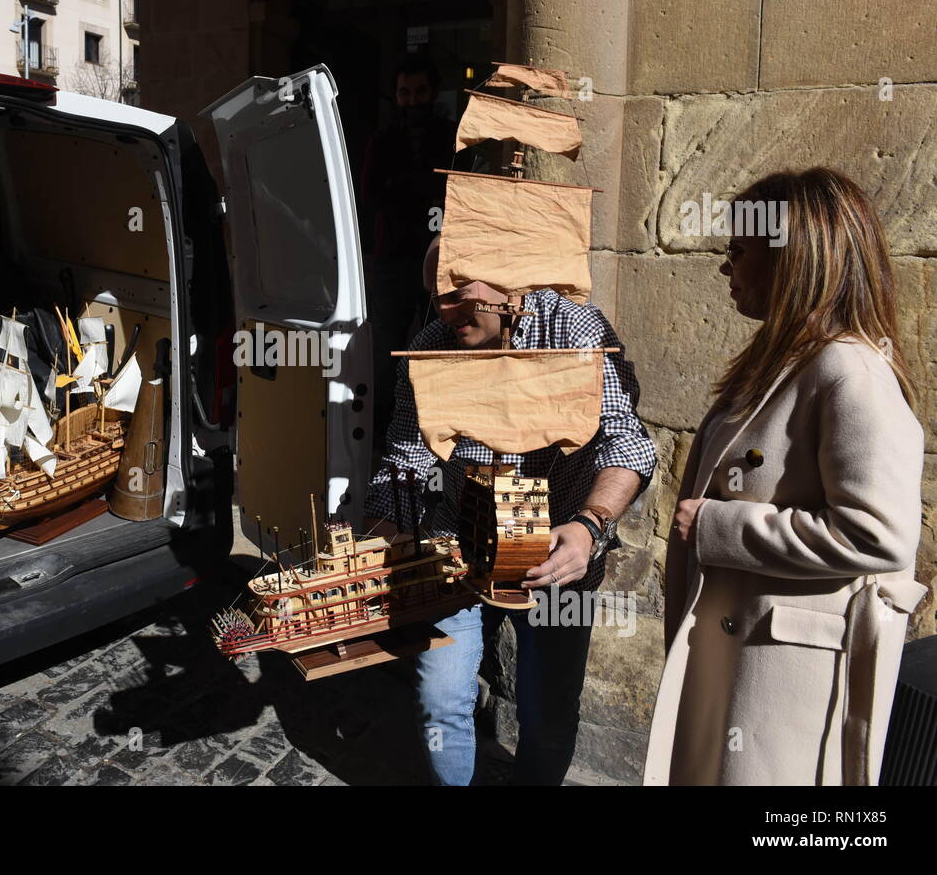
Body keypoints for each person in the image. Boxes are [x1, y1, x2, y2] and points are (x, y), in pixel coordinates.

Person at [644, 168, 928, 785]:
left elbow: (879, 535)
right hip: (738, 661)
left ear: (791, 258)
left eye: (738, 251)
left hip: (784, 683)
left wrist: (720, 527)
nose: (726, 267)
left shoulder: (850, 371)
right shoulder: (782, 364)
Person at [365, 237, 657, 785]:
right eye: (436, 298)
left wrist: (589, 526)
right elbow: (404, 460)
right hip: (460, 545)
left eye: (458, 295)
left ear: (504, 280)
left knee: (545, 711)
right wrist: (382, 538)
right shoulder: (431, 344)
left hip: (558, 550)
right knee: (439, 697)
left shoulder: (574, 329)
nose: (446, 312)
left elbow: (628, 444)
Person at [360, 52, 457, 441]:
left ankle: (437, 428)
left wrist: (406, 188)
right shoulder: (382, 141)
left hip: (440, 256)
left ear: (433, 92)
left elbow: (458, 187)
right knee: (387, 347)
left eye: (419, 91)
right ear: (395, 96)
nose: (412, 100)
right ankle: (382, 432)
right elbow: (369, 197)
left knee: (441, 341)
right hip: (393, 262)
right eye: (404, 93)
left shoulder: (451, 136)